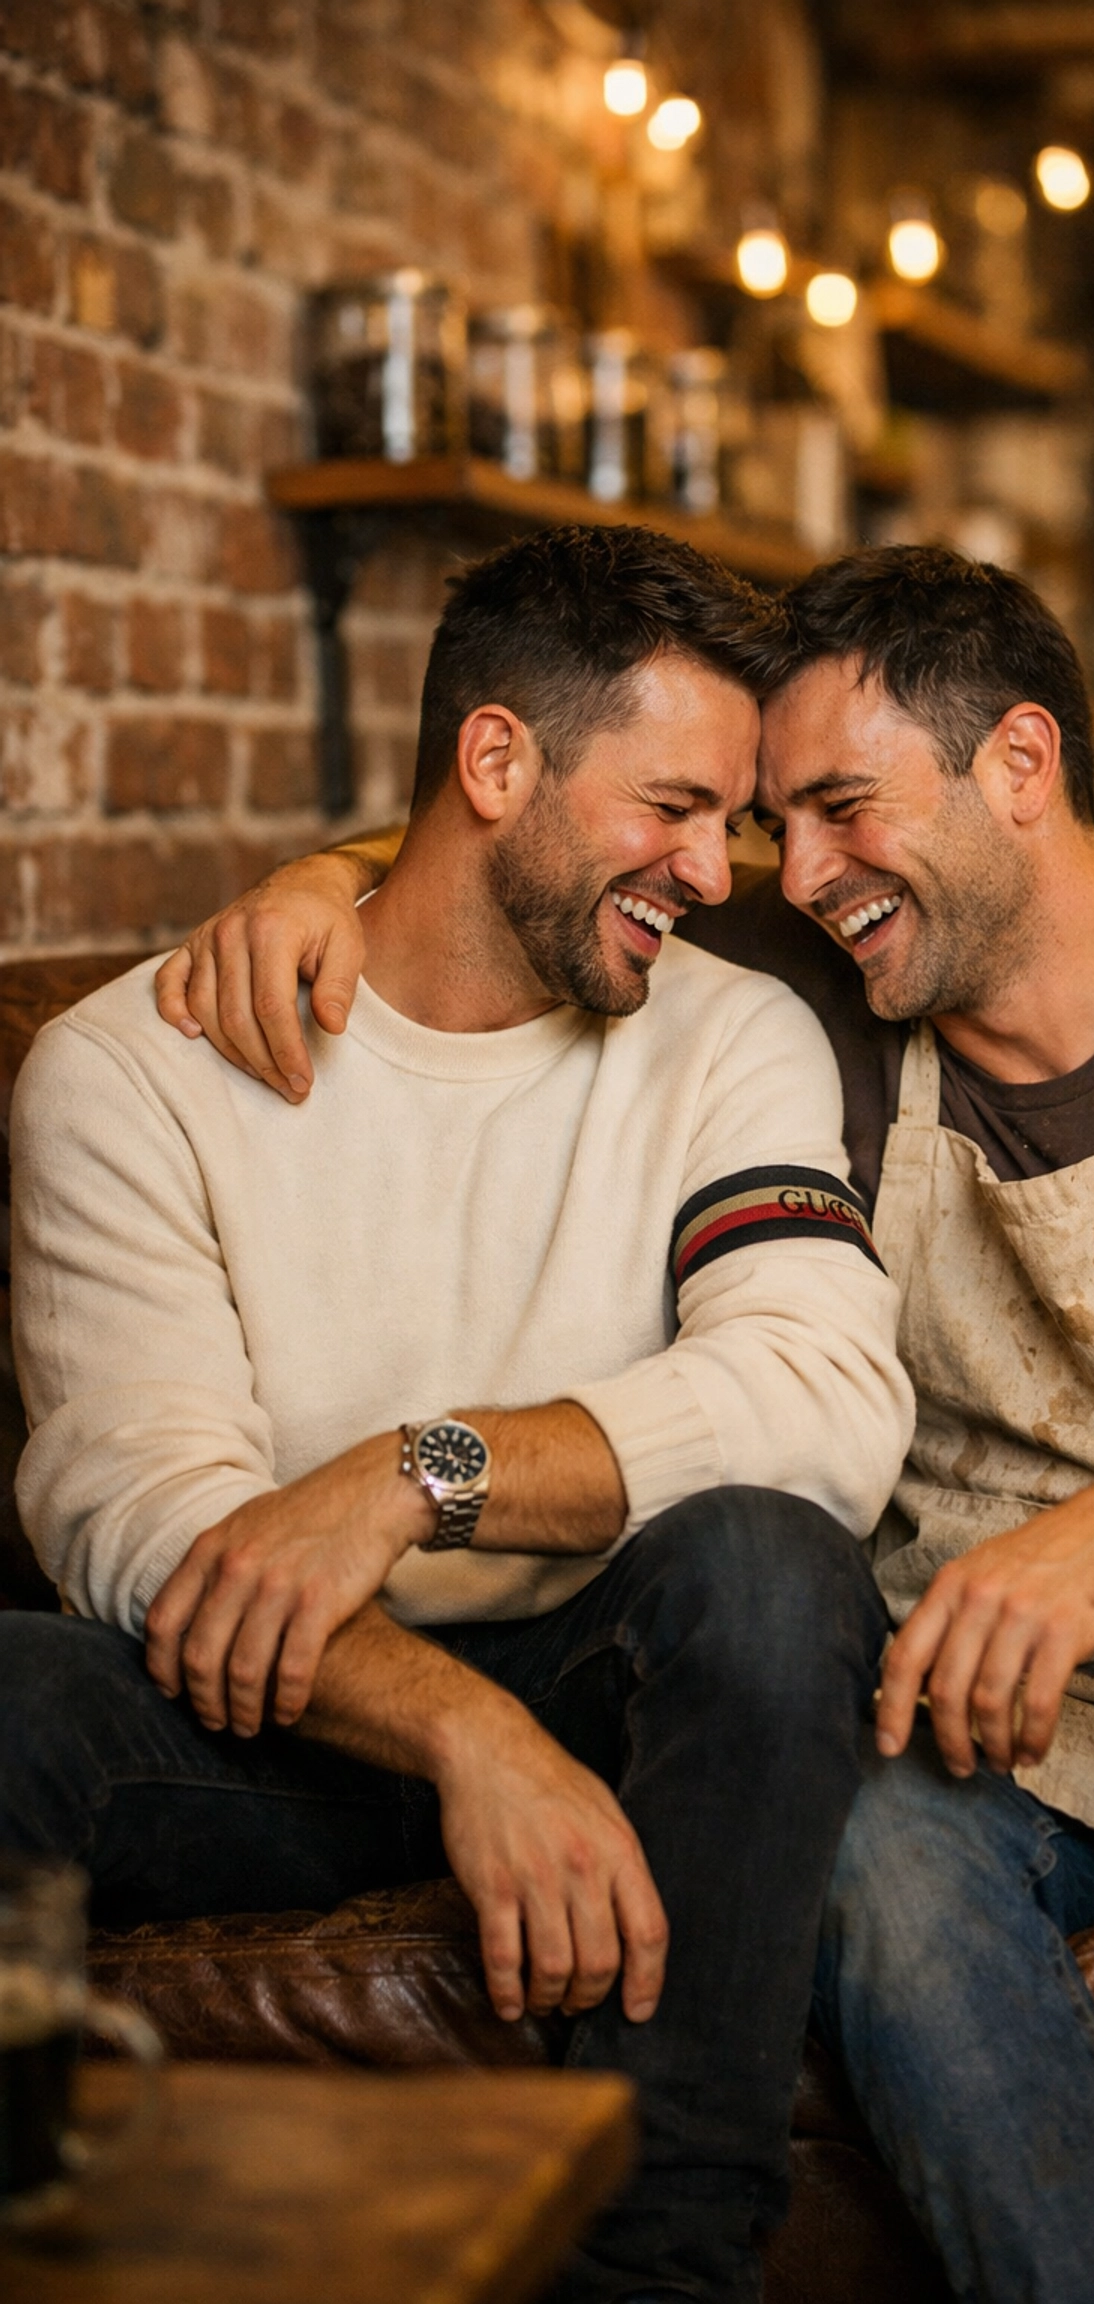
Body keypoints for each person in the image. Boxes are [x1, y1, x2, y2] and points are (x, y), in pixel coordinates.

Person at [152, 543, 1094, 2304]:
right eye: (770, 823)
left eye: (836, 809)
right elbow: (516, 850)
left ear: (1020, 767)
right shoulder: (831, 996)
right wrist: (307, 885)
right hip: (1031, 1730)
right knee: (870, 1846)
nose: (791, 875)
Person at [0, 526, 915, 2304]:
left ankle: (652, 2275)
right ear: (496, 762)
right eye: (673, 808)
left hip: (627, 1698)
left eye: (730, 821)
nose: (715, 873)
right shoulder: (128, 1071)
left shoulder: (734, 1040)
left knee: (770, 1568)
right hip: (290, 1717)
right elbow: (135, 1511)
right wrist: (467, 1742)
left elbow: (816, 1396)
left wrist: (422, 1474)